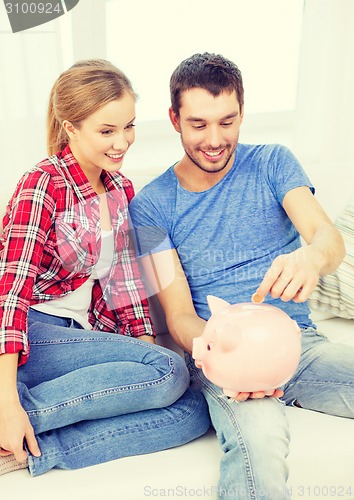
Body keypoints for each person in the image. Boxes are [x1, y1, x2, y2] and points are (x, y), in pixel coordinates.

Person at [129, 52, 354, 499]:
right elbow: (178, 319)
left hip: (299, 347)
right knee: (262, 442)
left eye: (227, 122)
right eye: (198, 125)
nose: (214, 139)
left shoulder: (273, 163)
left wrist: (310, 259)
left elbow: (328, 239)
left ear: (243, 112)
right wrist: (236, 362)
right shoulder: (150, 207)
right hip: (225, 358)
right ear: (174, 119)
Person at [0, 59, 210, 477]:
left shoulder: (119, 188)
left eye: (128, 126)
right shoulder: (43, 184)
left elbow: (125, 284)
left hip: (78, 337)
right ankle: (17, 418)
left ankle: (36, 449)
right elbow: (11, 293)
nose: (122, 142)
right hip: (32, 332)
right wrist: (5, 400)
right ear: (70, 128)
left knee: (193, 405)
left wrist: (144, 347)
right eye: (107, 131)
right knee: (169, 370)